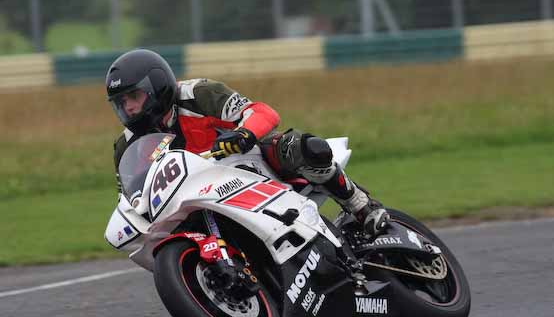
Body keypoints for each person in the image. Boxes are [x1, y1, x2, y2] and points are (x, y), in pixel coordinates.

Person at [107, 49, 389, 238]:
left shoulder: (198, 95)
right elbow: (131, 198)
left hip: (247, 164)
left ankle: (360, 205)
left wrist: (243, 134)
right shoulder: (126, 146)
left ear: (156, 87)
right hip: (194, 199)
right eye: (121, 102)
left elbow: (263, 113)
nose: (128, 108)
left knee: (300, 147)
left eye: (134, 97)